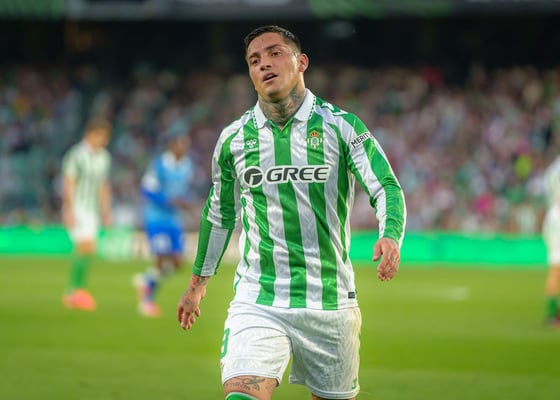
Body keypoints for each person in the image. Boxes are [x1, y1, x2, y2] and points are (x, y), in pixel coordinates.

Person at [177, 25, 406, 400]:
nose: (264, 64)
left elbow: (386, 186)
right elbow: (219, 215)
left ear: (301, 62)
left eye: (275, 53)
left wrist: (390, 234)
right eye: (254, 60)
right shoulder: (234, 139)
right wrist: (196, 285)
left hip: (330, 301)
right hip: (259, 298)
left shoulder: (342, 127)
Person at [134, 120, 196, 317]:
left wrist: (187, 203)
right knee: (161, 258)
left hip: (174, 220)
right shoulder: (159, 165)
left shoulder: (187, 166)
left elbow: (183, 192)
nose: (184, 147)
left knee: (177, 262)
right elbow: (147, 190)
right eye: (181, 143)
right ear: (172, 144)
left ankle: (146, 279)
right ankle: (147, 301)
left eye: (186, 143)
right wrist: (169, 200)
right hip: (157, 219)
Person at [61, 117, 113, 311]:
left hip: (92, 209)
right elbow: (68, 183)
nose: (104, 140)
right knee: (85, 246)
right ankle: (76, 291)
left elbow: (103, 185)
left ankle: (75, 291)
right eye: (102, 136)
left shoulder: (104, 157)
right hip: (78, 206)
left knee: (89, 249)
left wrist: (106, 211)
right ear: (91, 134)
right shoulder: (76, 155)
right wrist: (69, 210)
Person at [542, 155, 560, 326]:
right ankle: (553, 314)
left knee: (556, 269)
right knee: (556, 270)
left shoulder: (552, 169)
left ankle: (554, 312)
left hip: (553, 217)